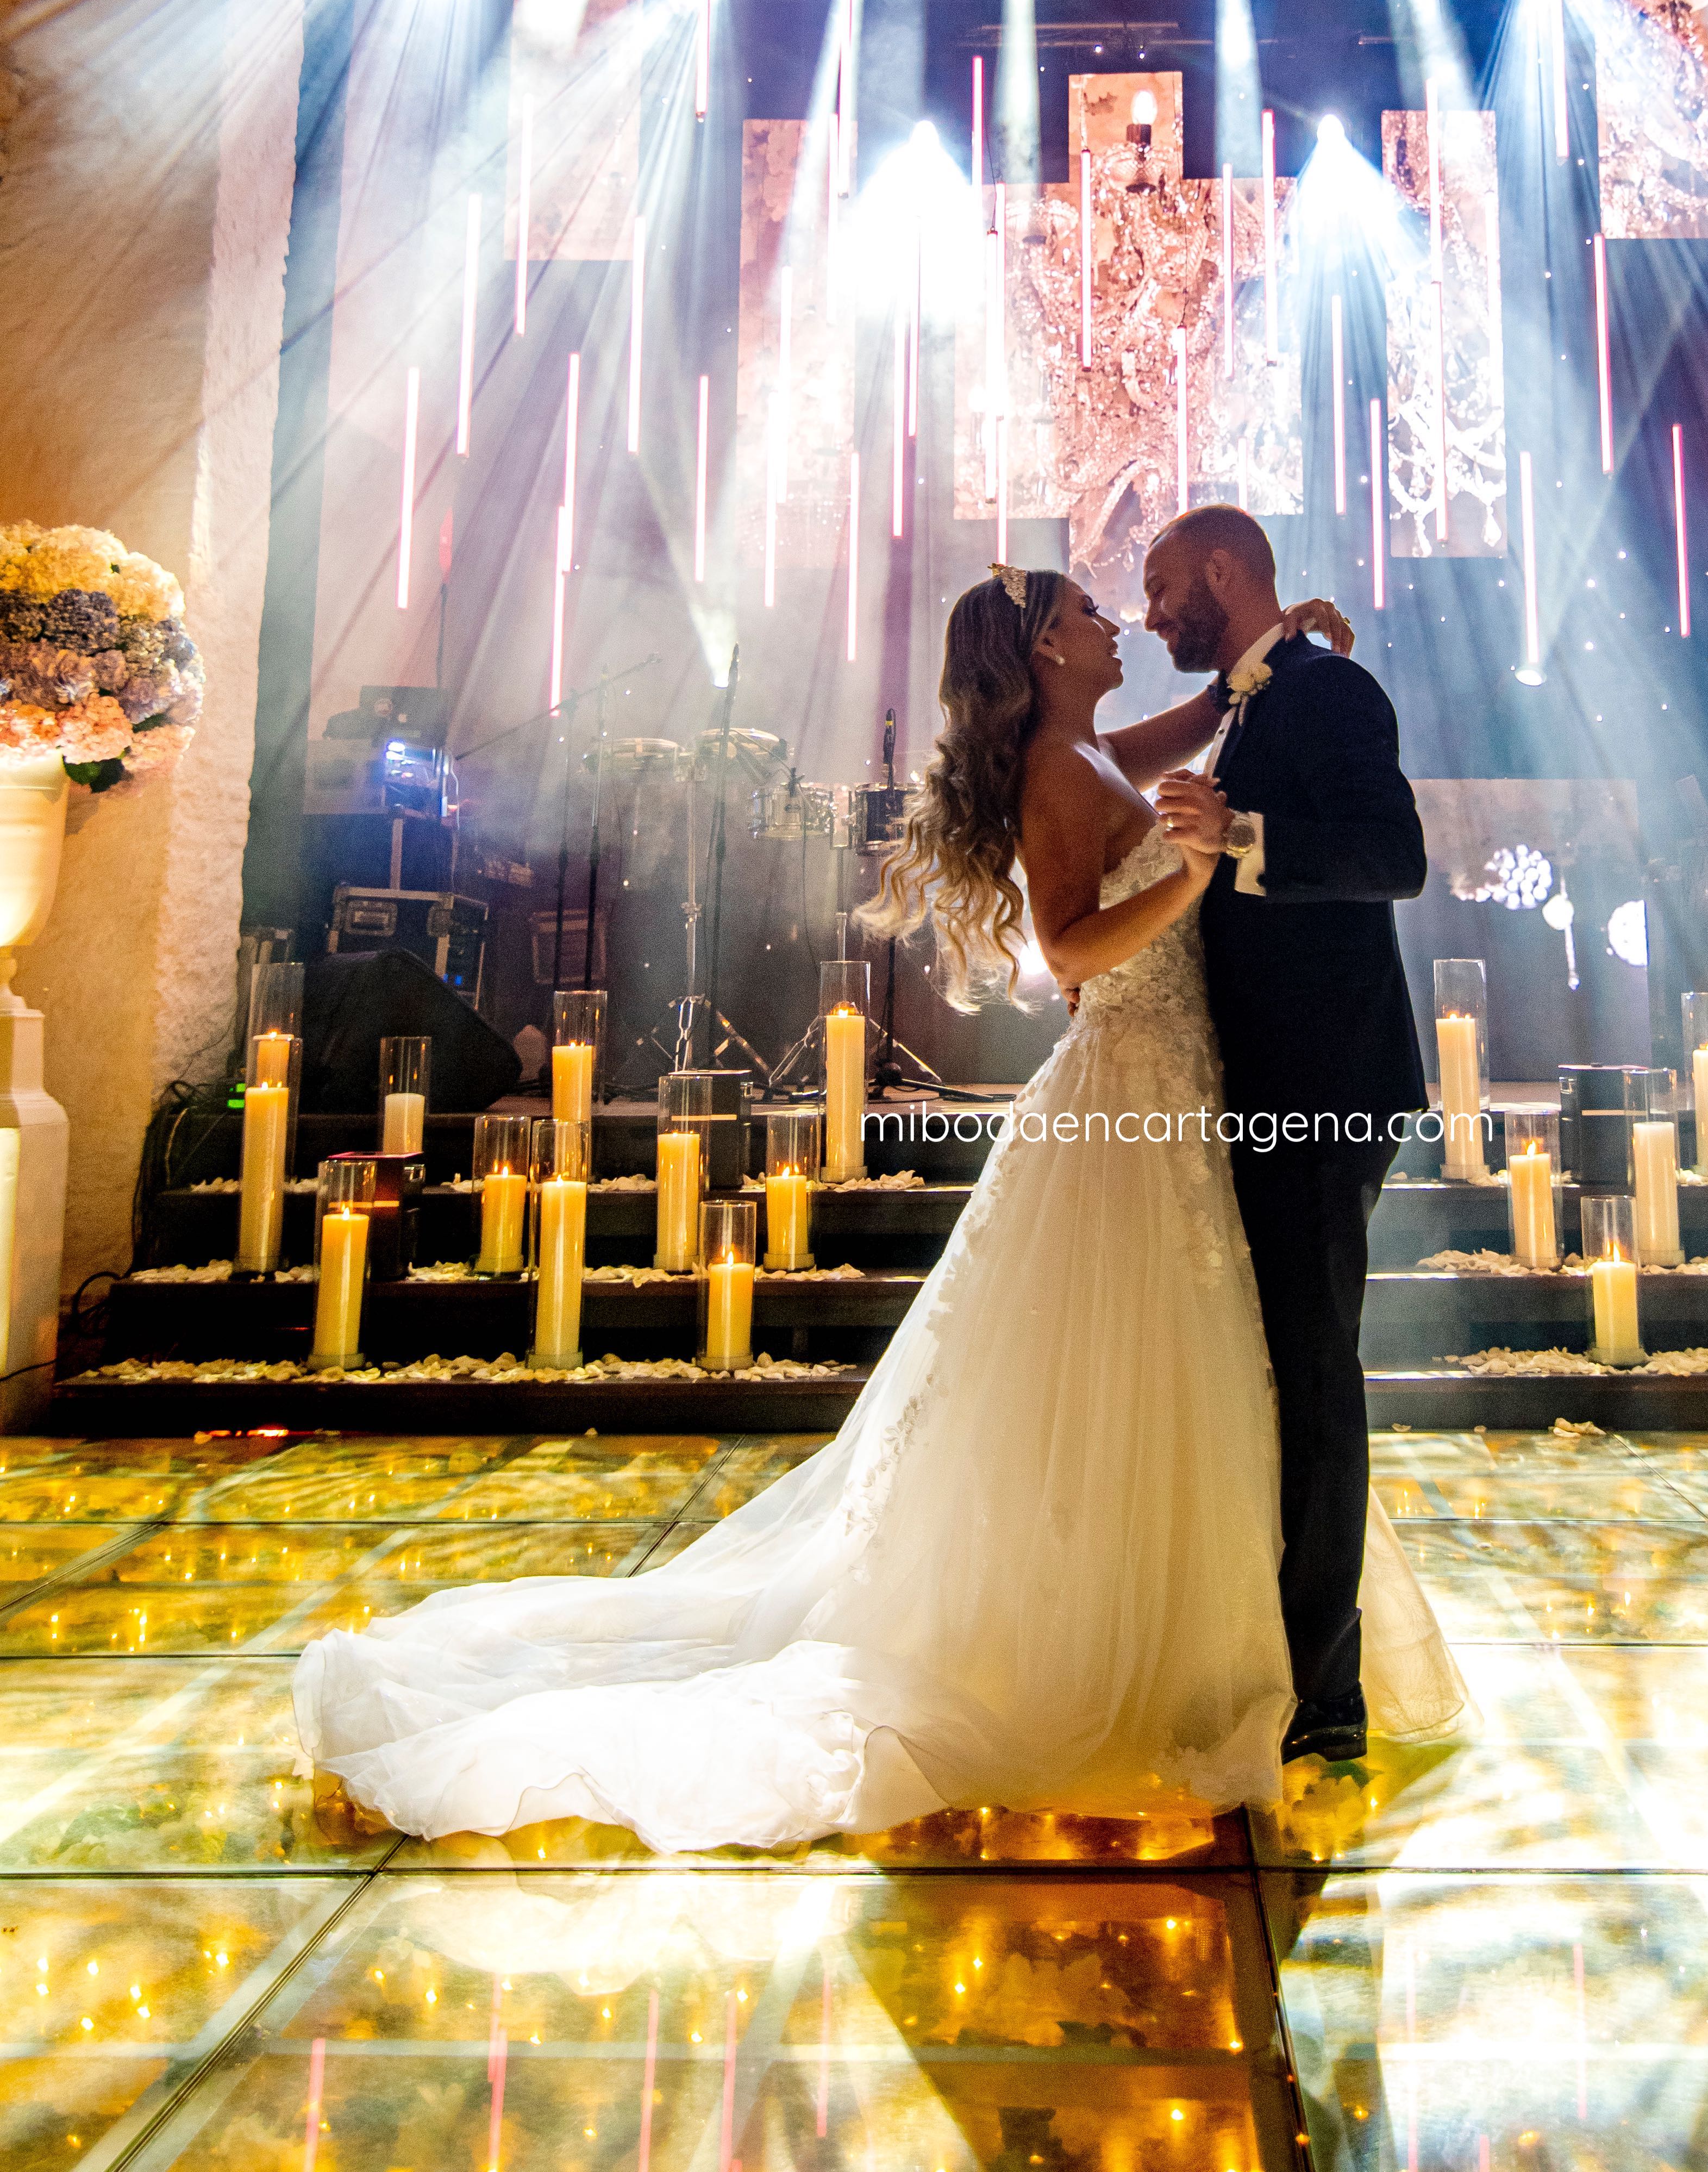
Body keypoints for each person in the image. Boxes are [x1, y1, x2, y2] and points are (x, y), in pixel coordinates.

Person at [292, 557, 1458, 1851]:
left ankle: (1183, 1621)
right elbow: (1068, 946)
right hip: (1134, 1081)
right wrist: (1188, 874)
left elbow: (1196, 722)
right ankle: (1131, 1643)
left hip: (1175, 1084)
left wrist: (1271, 646)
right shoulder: (1058, 769)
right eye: (1087, 612)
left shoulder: (1088, 748)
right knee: (1134, 1357)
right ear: (1045, 650)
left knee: (1167, 1362)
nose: (1115, 622)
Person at [1143, 504, 1436, 1768]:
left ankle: (1323, 1692)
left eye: (1162, 585)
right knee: (1278, 1366)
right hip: (1263, 1081)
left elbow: (1394, 856)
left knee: (1314, 1374)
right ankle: (1270, 1644)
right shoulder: (1255, 698)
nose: (1151, 612)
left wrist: (1238, 839)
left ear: (1223, 570)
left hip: (1322, 1085)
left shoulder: (1326, 690)